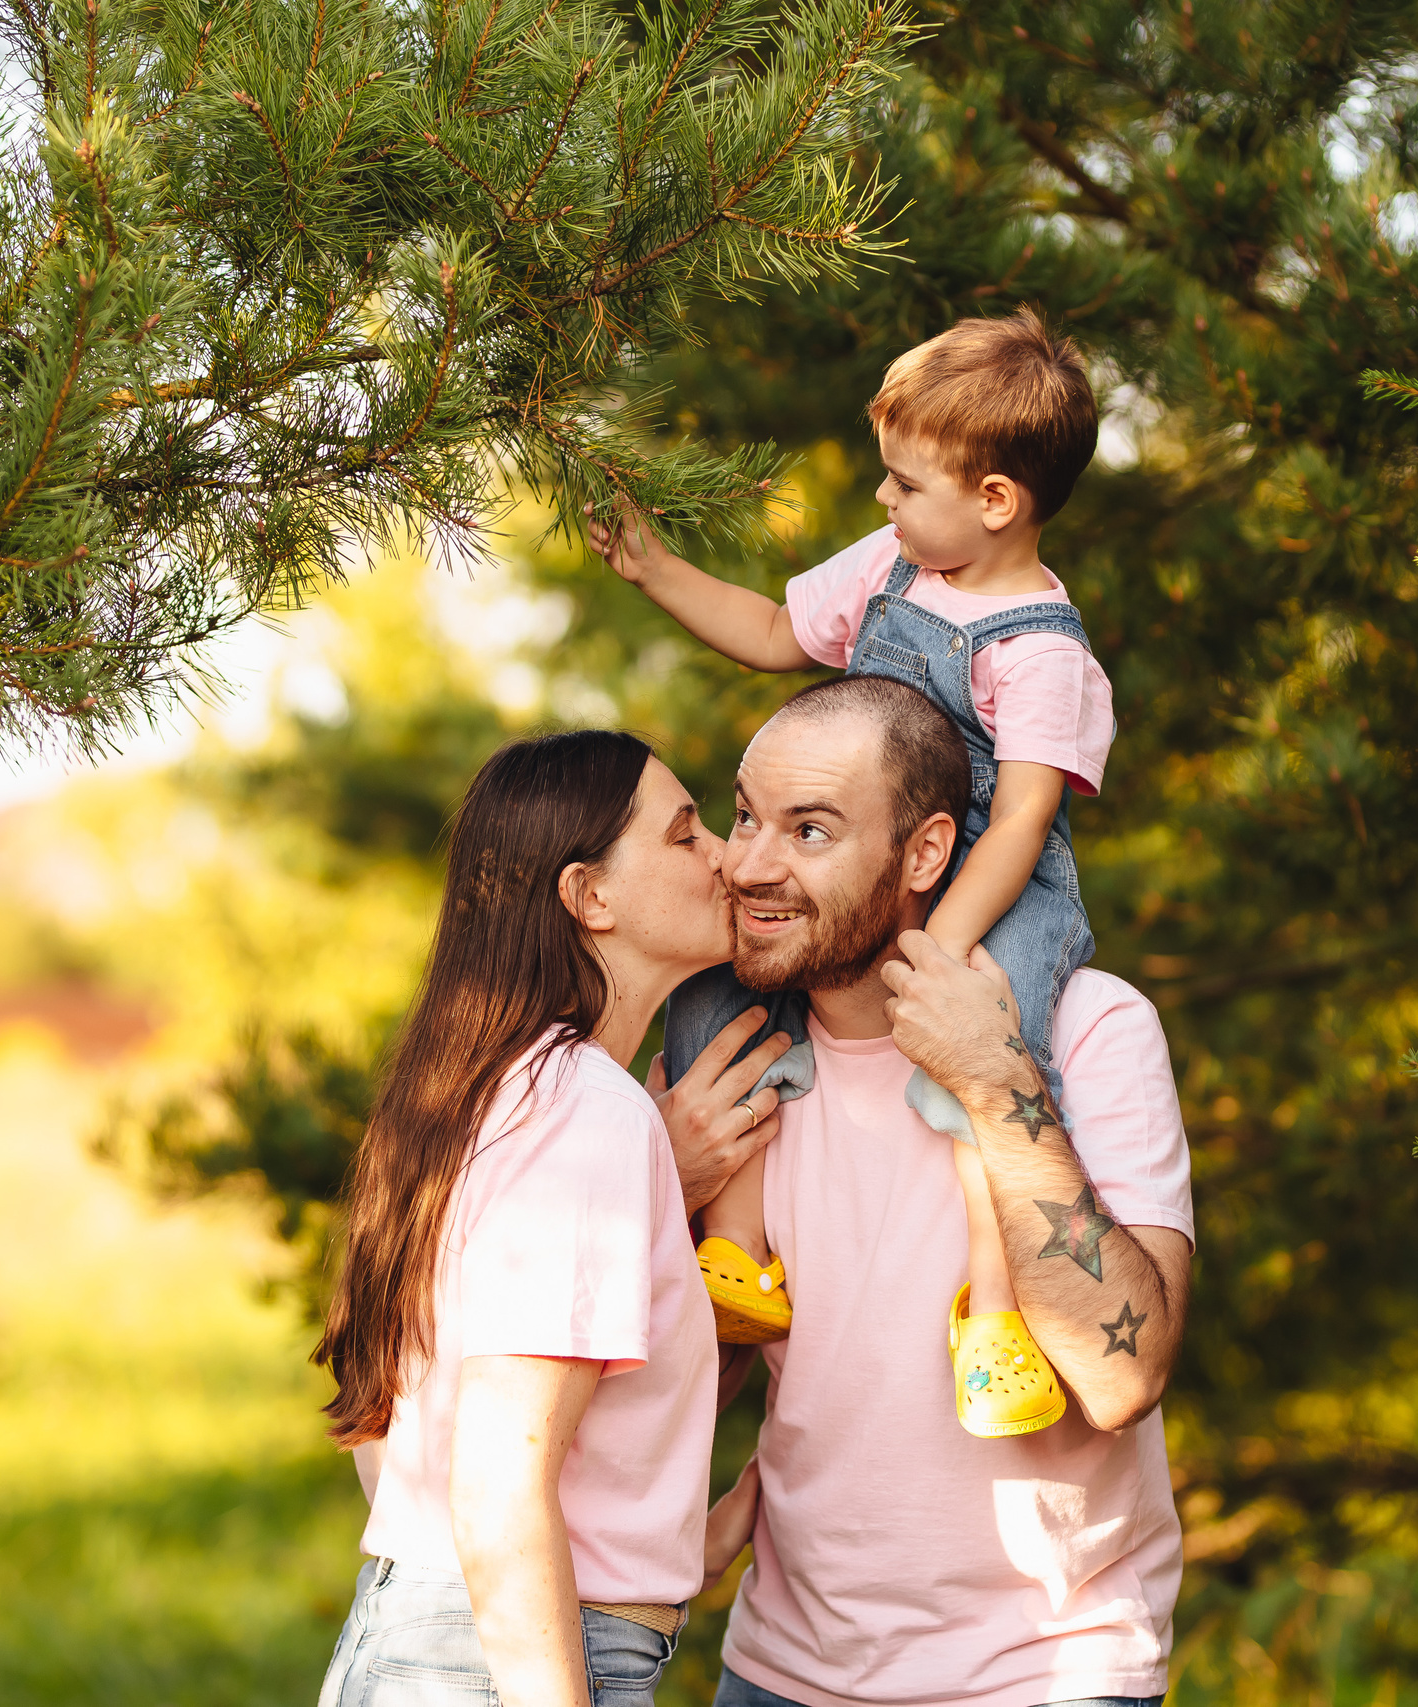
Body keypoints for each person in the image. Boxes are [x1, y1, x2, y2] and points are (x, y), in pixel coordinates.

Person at [590, 308, 1114, 1439]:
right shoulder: (896, 565)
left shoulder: (1041, 650)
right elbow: (778, 629)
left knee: (987, 1059)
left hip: (991, 882)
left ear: (995, 501)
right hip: (869, 864)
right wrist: (655, 571)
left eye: (903, 483)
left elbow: (1021, 815)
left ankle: (995, 1308)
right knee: (729, 996)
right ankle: (736, 1254)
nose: (881, 500)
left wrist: (947, 947)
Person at [660, 678, 1196, 1707]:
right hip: (779, 1669)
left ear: (924, 854)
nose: (750, 866)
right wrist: (660, 1187)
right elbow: (674, 1376)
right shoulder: (721, 1061)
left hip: (1042, 1672)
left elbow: (1122, 1378)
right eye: (742, 817)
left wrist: (995, 1083)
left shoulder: (1090, 1031)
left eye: (808, 831)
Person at [313, 730, 795, 1707]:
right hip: (501, 1664)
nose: (727, 858)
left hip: (448, 1638)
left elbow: (398, 1433)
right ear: (591, 898)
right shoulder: (583, 1113)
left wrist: (652, 1551)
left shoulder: (489, 1089)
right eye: (684, 833)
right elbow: (494, 1493)